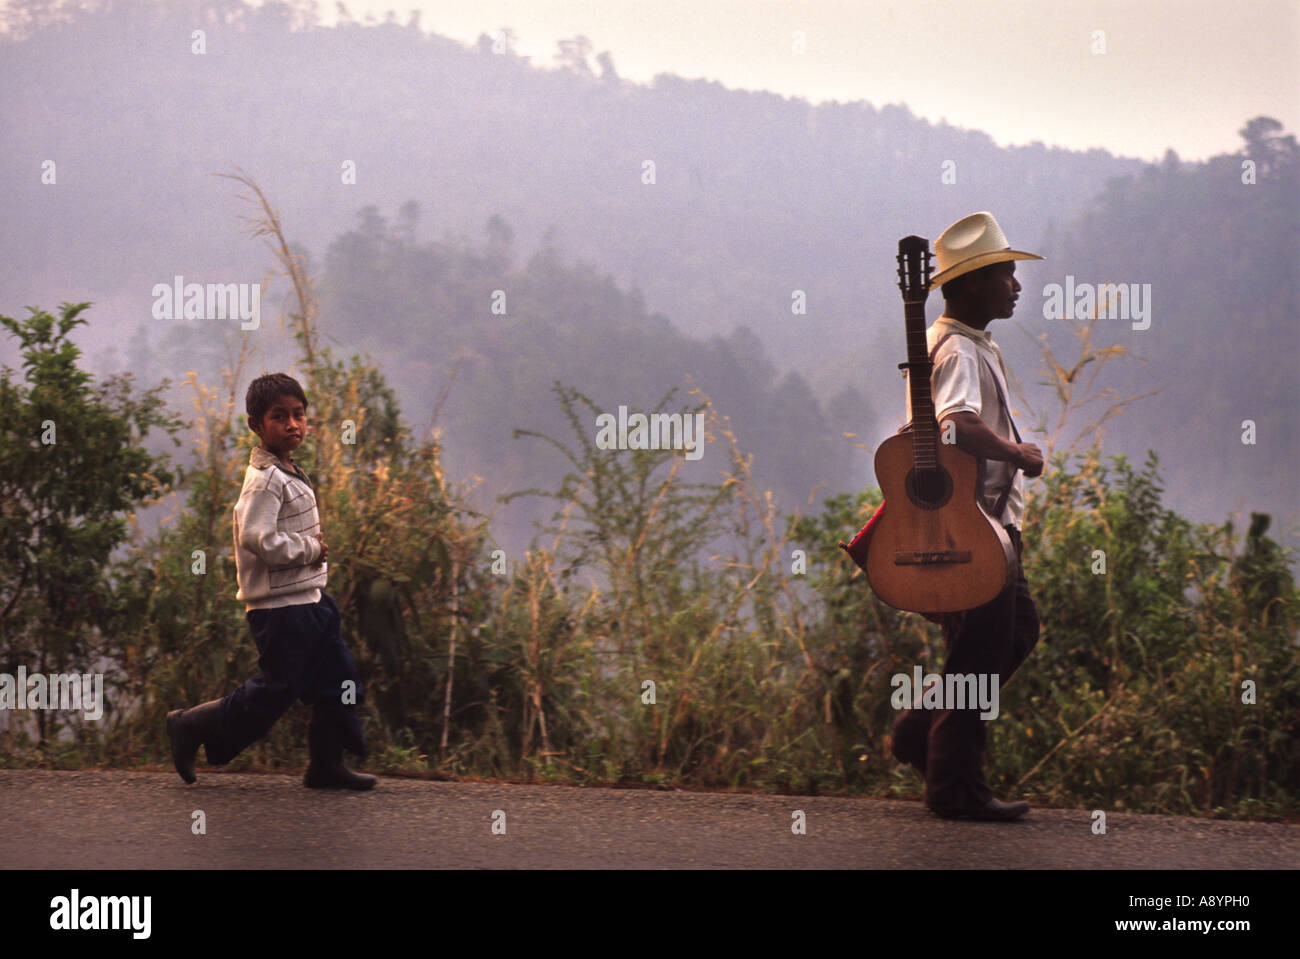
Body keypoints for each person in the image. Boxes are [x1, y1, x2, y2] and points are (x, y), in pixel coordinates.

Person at [888, 211, 1043, 821]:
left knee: (1014, 634)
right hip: (975, 530)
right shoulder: (958, 351)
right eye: (1006, 273)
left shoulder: (965, 344)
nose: (1016, 284)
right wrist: (1017, 453)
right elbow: (955, 425)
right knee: (980, 655)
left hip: (987, 528)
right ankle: (955, 789)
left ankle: (918, 731)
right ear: (973, 282)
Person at [166, 372, 376, 790]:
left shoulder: (287, 470)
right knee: (275, 691)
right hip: (280, 610)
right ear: (256, 425)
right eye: (280, 417)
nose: (293, 424)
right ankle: (189, 725)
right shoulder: (263, 480)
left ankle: (325, 766)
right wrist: (311, 550)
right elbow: (256, 538)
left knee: (340, 680)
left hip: (311, 601)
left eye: (299, 415)